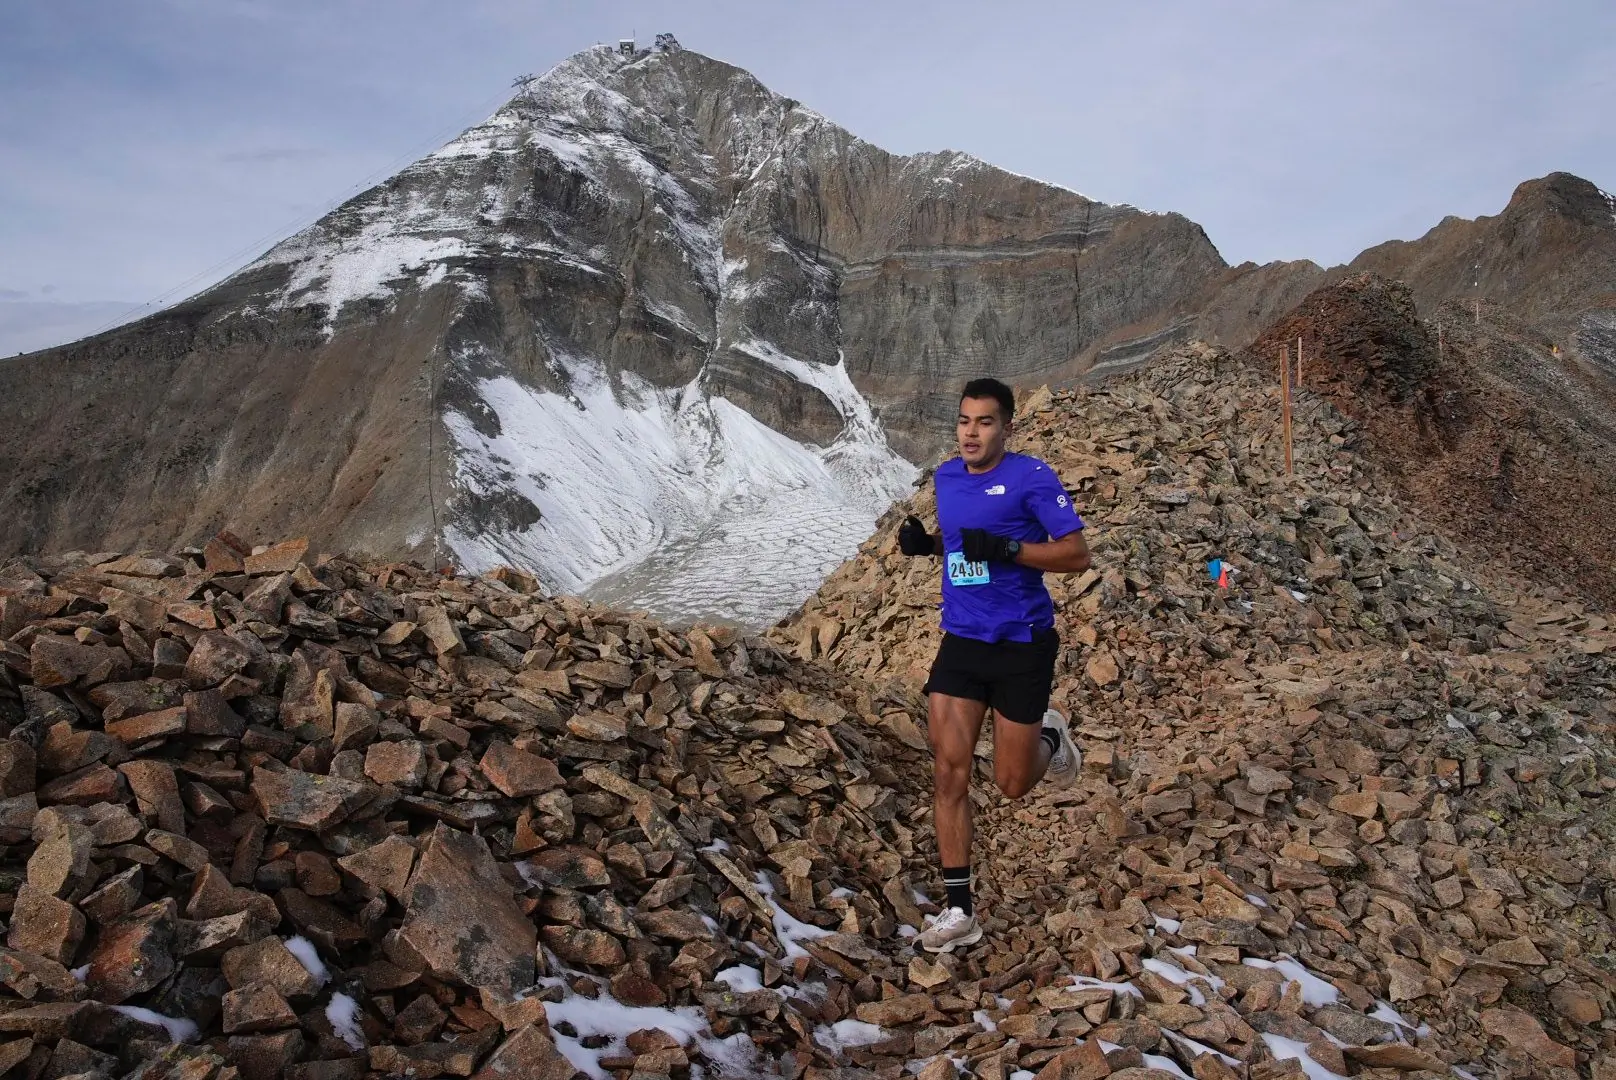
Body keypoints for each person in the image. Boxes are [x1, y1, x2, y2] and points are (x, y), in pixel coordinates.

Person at [897, 377, 1091, 953]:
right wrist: (927, 546)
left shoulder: (1032, 476)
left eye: (984, 422)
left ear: (1006, 426)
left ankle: (1052, 740)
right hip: (961, 640)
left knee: (1010, 783)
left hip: (1021, 642)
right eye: (964, 421)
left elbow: (1077, 555)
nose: (971, 432)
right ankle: (959, 910)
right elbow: (962, 541)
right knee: (948, 773)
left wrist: (1010, 551)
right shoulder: (947, 477)